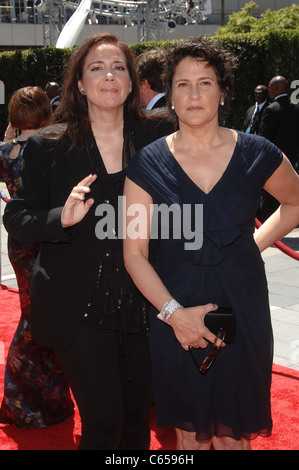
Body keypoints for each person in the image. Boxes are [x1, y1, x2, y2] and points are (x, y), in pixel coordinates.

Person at [123, 36, 299, 450]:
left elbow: (294, 202)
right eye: (183, 84)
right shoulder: (146, 163)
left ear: (223, 92)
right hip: (172, 304)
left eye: (205, 82)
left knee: (235, 430)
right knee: (188, 430)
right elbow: (133, 253)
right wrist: (173, 315)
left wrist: (251, 245)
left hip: (242, 300)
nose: (194, 93)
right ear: (171, 95)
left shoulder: (258, 152)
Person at [3, 33, 173, 449]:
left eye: (119, 67)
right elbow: (18, 217)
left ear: (133, 82)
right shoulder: (50, 145)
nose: (109, 76)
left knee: (137, 423)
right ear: (80, 83)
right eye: (96, 68)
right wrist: (63, 216)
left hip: (147, 302)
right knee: (103, 424)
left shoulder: (161, 135)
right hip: (79, 307)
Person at [0, 86, 74, 428]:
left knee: (35, 316)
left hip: (20, 242)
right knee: (40, 319)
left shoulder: (7, 151)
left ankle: (30, 402)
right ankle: (40, 402)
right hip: (50, 238)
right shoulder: (54, 148)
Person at [258, 75, 299, 221]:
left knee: (269, 197)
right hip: (292, 159)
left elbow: (264, 139)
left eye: (270, 87)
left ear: (275, 88)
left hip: (272, 161)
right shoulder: (296, 108)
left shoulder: (271, 110)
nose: (269, 91)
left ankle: (270, 226)